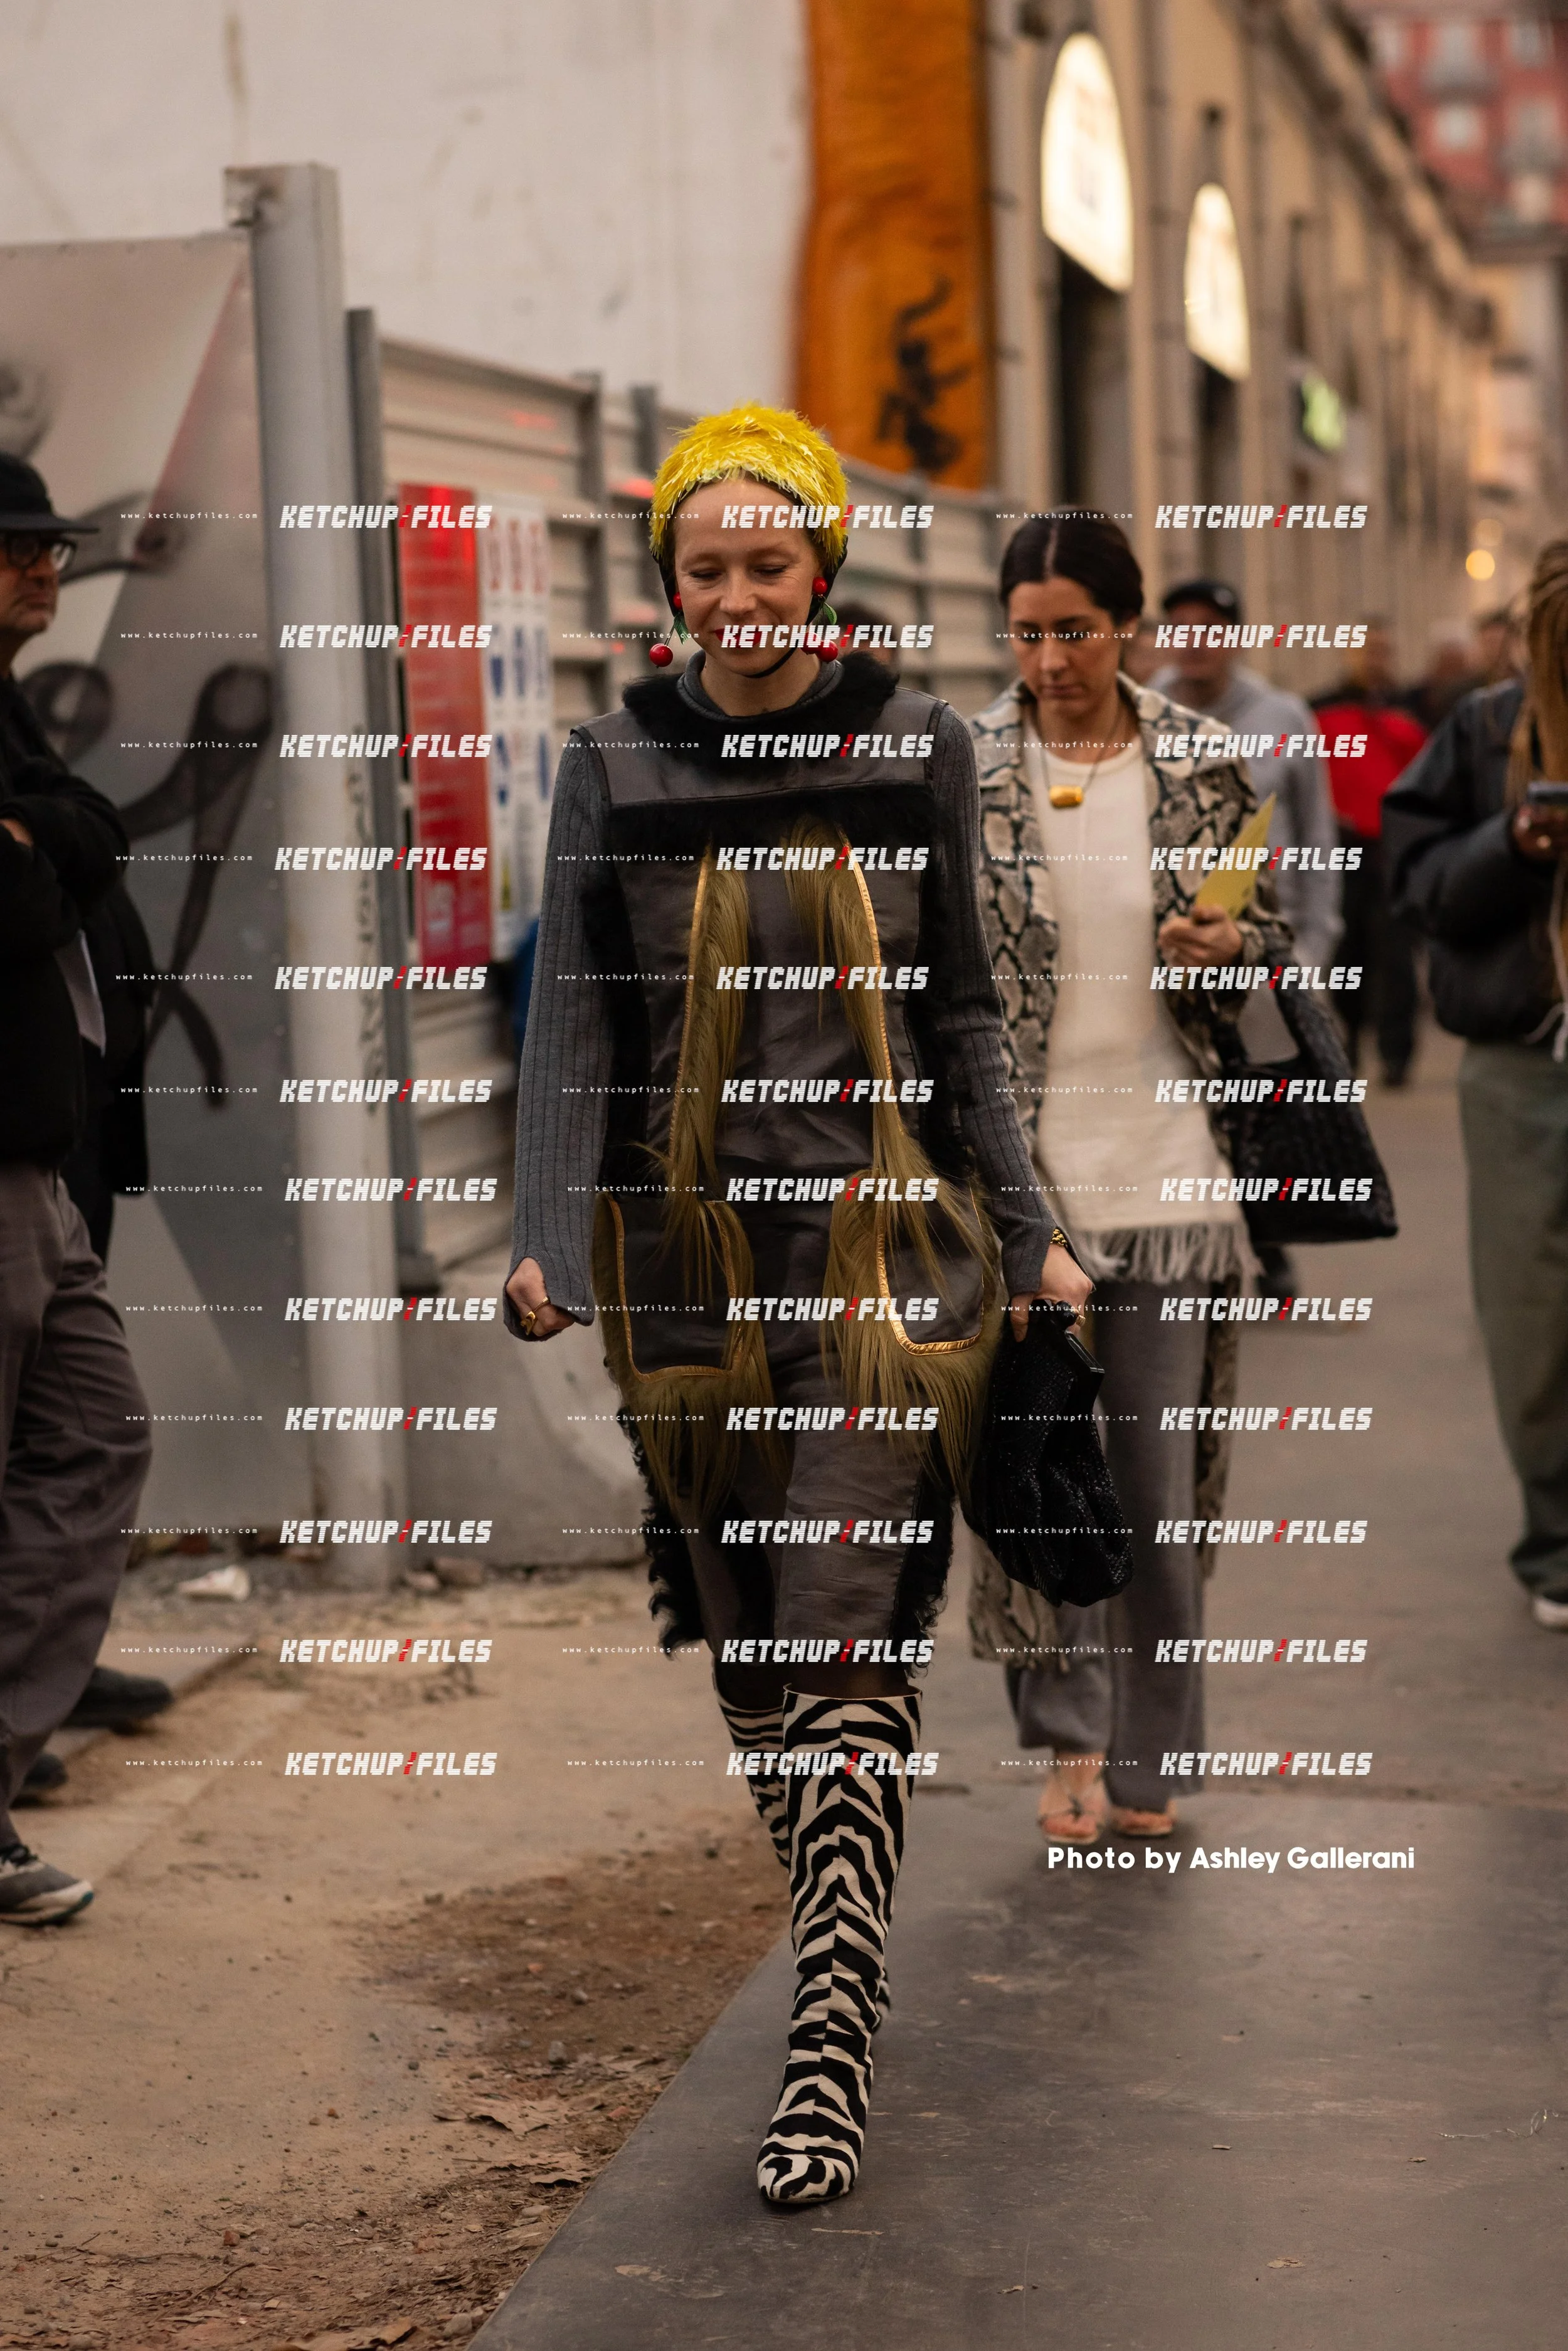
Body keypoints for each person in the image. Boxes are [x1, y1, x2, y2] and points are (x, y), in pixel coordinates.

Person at [503, 403, 1088, 2206]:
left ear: (822, 577)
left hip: (879, 1266)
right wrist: (541, 1230)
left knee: (841, 1632)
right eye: (707, 569)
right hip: (679, 1285)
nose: (739, 595)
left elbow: (967, 1023)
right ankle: (838, 1939)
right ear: (668, 587)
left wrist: (1042, 1227)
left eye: (770, 565)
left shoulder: (915, 750)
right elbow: (576, 1028)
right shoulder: (609, 762)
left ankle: (826, 2039)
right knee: (759, 1662)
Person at [965, 514, 1293, 1842]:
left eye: (1076, 630)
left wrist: (1223, 941)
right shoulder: (963, 767)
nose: (1049, 657)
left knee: (1153, 1493)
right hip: (1020, 1189)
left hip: (1168, 1180)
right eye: (1027, 631)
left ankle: (1150, 1757)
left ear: (1128, 628)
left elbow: (1261, 943)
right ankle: (1062, 1741)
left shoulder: (1205, 763)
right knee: (1038, 1481)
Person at [0, 454, 154, 1923]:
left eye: (49, 546)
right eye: (16, 548)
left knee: (98, 1437)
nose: (44, 571)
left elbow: (86, 843)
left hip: (39, 1163)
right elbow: (32, 891)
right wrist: (53, 846)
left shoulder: (6, 710)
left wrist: (51, 835)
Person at [1385, 539, 1568, 1633]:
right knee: (1535, 1320)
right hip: (1519, 1066)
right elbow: (1418, 888)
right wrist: (1517, 839)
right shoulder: (1487, 729)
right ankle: (1556, 1542)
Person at [1152, 575, 1341, 1306]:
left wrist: (1315, 950)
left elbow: (1316, 838)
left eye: (1210, 625)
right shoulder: (1145, 709)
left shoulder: (1282, 716)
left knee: (1262, 1097)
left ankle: (1272, 1245)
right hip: (1173, 946)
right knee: (1190, 1097)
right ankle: (1207, 1246)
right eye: (1182, 625)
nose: (1195, 639)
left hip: (1265, 946)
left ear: (1233, 634)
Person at [1311, 620, 1428, 1085]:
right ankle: (1348, 1045)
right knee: (1349, 952)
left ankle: (1396, 1055)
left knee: (1396, 956)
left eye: (1382, 650)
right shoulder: (1321, 709)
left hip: (1392, 848)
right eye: (1366, 650)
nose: (1374, 659)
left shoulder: (1407, 710)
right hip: (1342, 843)